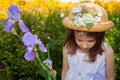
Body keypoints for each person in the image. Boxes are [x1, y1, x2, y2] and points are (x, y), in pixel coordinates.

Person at [61, 3, 114, 80]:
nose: (84, 45)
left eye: (90, 41)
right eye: (79, 40)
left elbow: (110, 77)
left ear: (99, 37)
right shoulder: (67, 48)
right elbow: (65, 71)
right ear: (73, 35)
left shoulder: (106, 51)